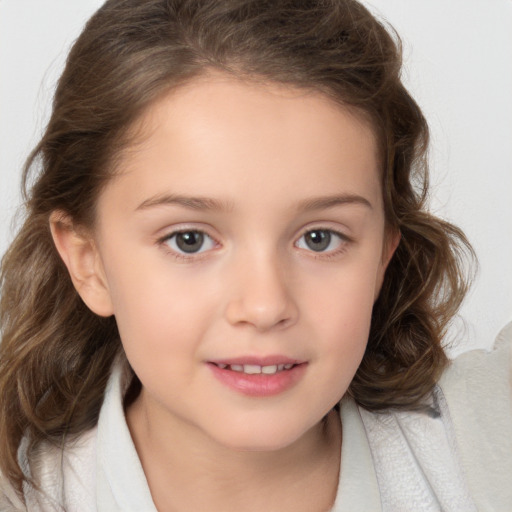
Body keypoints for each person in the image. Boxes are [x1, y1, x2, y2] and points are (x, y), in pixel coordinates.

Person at [0, 0, 510, 510]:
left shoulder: (483, 437)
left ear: (381, 256)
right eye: (189, 240)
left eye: (319, 238)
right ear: (88, 262)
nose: (265, 306)